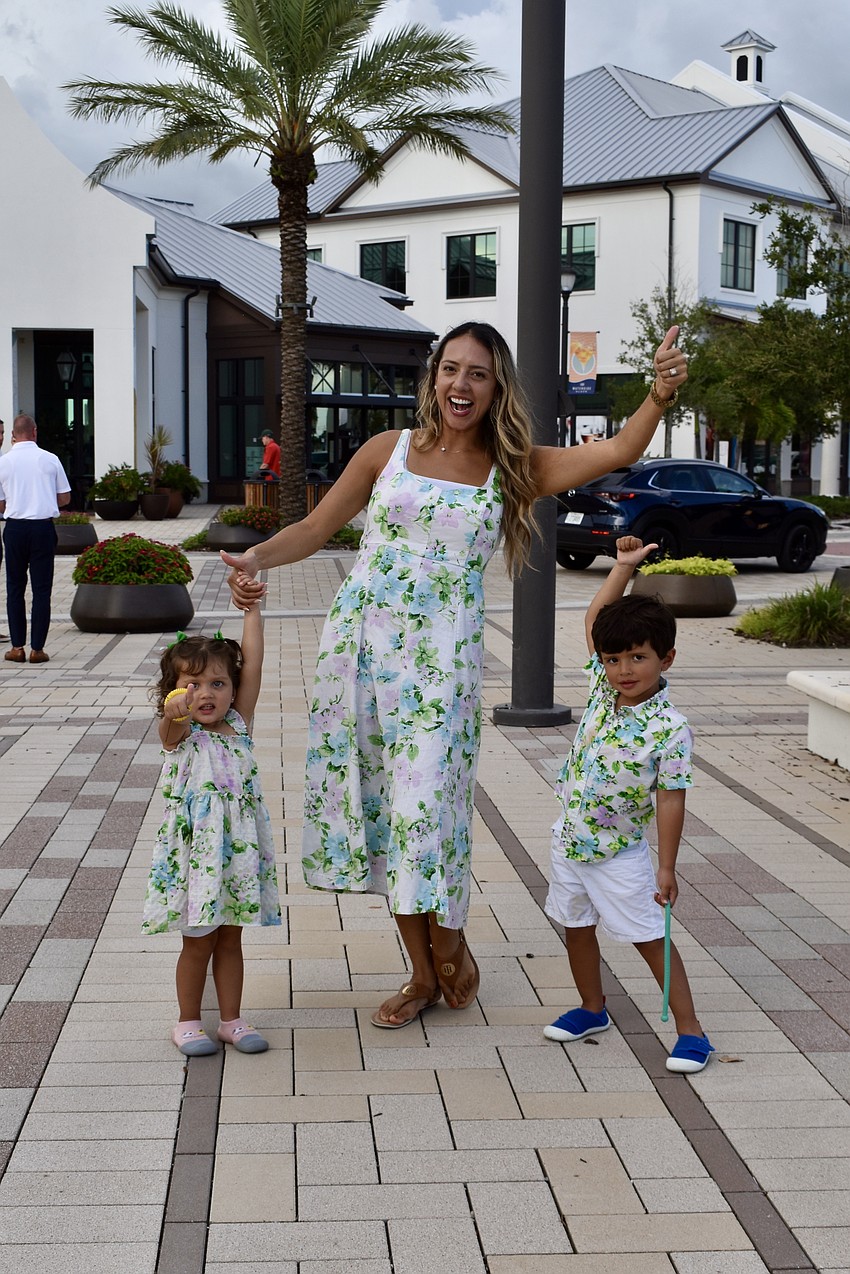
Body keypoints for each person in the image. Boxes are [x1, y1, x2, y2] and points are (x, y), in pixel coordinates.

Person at [223, 320, 688, 1029]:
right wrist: (258, 560)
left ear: (495, 385)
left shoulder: (514, 467)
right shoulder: (388, 452)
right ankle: (421, 971)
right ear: (432, 378)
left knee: (425, 813)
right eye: (449, 369)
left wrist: (658, 392)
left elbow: (620, 449)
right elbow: (316, 531)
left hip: (442, 670)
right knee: (382, 809)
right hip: (362, 654)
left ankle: (449, 941)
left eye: (476, 372)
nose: (459, 384)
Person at [543, 535, 713, 1073]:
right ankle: (593, 1009)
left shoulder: (670, 728)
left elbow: (670, 799)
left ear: (666, 658)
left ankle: (692, 1033)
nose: (624, 669)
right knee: (575, 925)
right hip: (570, 840)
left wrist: (666, 865)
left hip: (621, 855)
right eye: (614, 659)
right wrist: (621, 569)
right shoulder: (601, 689)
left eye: (637, 658)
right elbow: (596, 618)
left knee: (648, 937)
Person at [142, 609, 281, 1056]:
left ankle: (231, 1021)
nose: (205, 694)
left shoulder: (238, 726)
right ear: (174, 691)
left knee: (231, 938)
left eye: (217, 684)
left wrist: (253, 612)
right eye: (192, 685)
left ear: (232, 691)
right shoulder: (179, 735)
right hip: (196, 859)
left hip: (236, 856)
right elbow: (170, 723)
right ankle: (186, 1022)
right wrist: (173, 709)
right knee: (198, 940)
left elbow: (254, 663)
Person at [0, 414, 71, 664]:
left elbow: (0, 504)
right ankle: (37, 649)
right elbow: (65, 498)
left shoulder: (3, 462)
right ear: (34, 432)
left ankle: (17, 647)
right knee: (42, 590)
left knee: (15, 588)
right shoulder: (49, 459)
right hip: (42, 528)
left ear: (12, 434)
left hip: (15, 528)